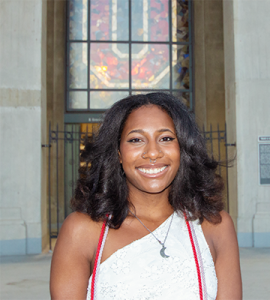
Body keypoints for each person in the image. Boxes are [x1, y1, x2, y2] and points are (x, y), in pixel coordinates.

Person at [50, 93, 242, 300]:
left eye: (166, 138)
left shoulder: (215, 226)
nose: (152, 153)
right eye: (136, 140)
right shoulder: (82, 230)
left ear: (183, 148)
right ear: (118, 153)